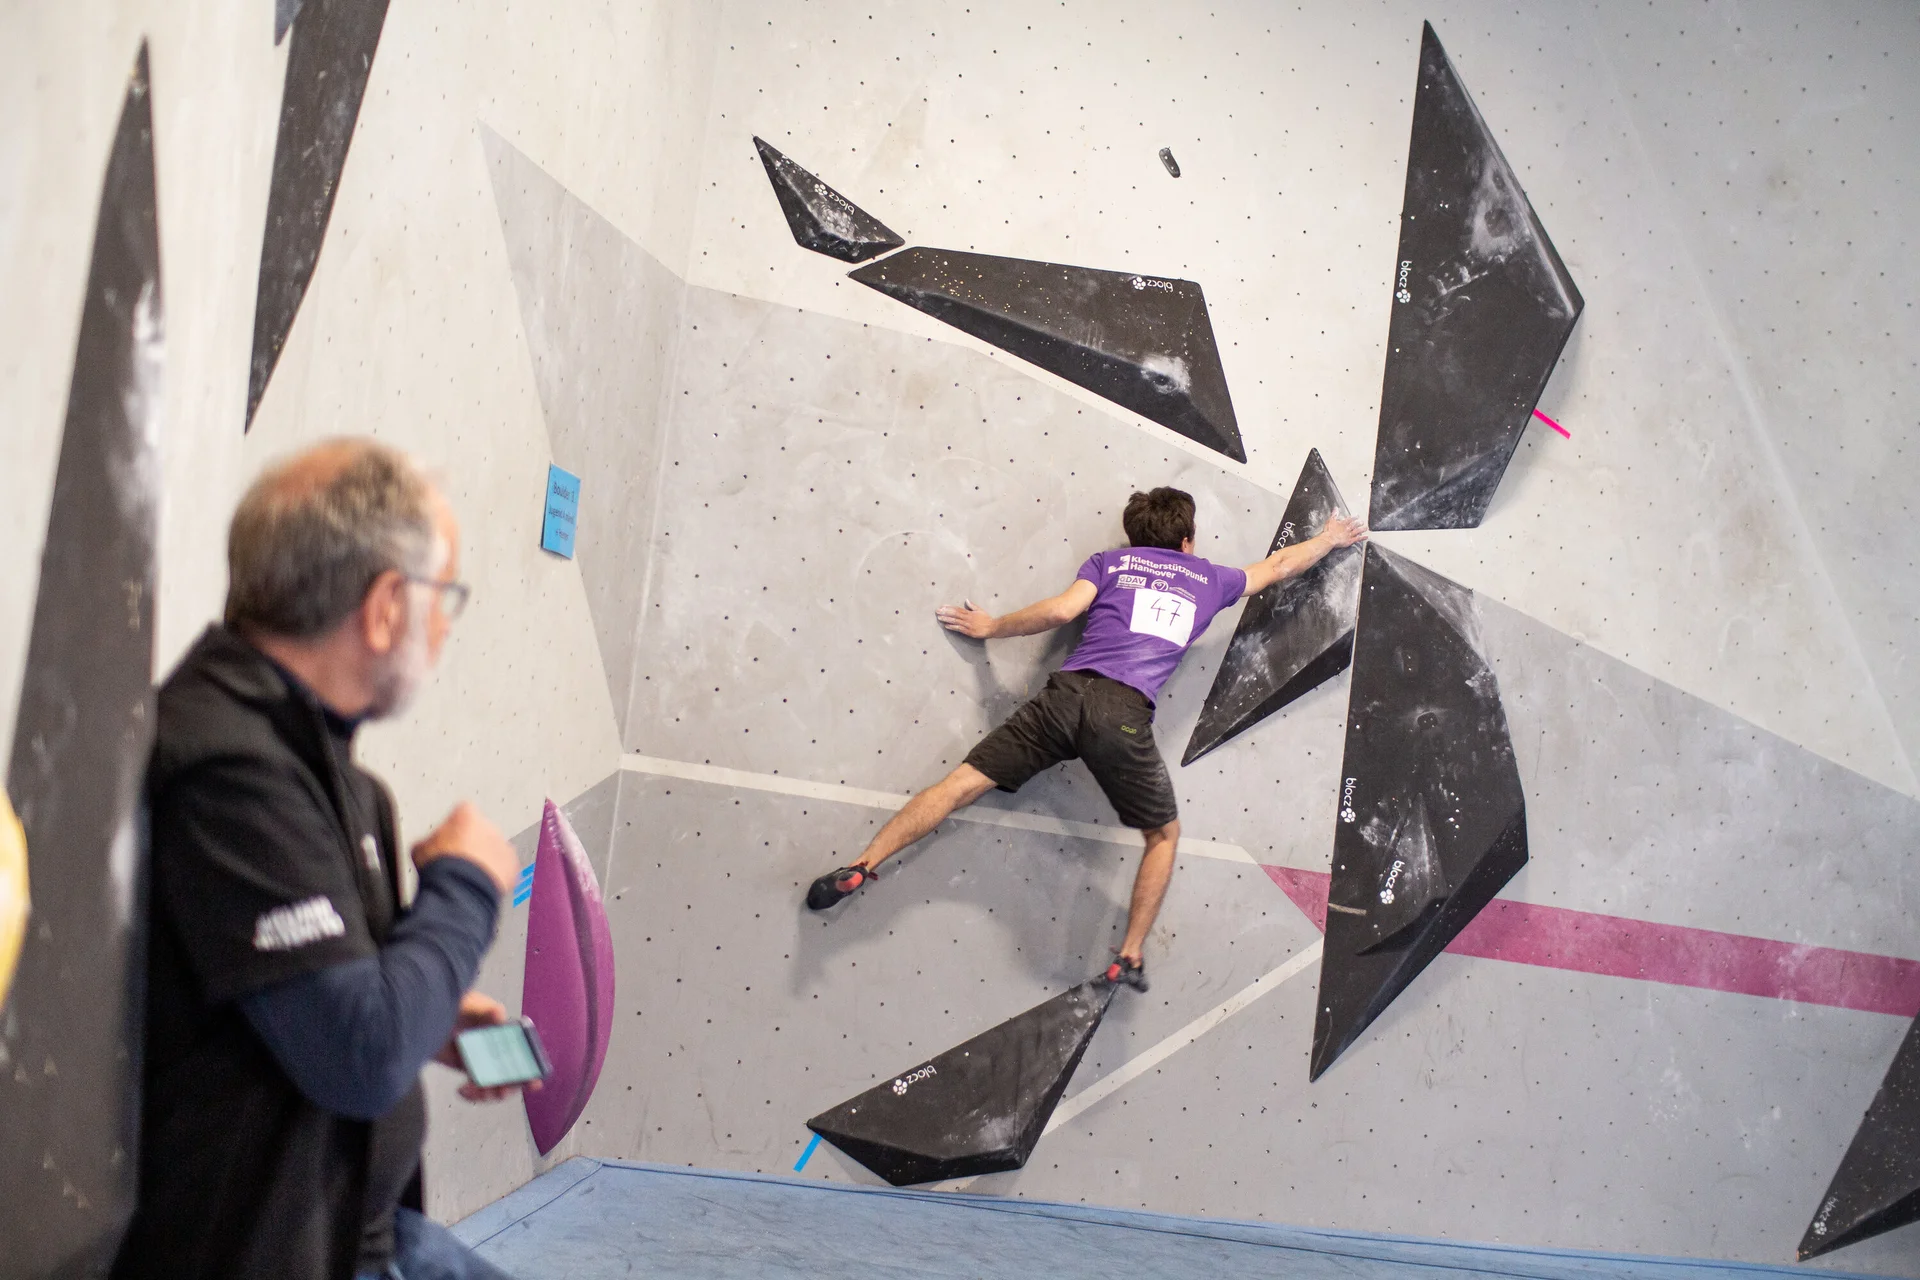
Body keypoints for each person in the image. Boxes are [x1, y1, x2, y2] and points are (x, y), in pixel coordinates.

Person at [114, 439, 526, 1280]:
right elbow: (363, 1055)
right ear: (383, 608)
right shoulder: (229, 767)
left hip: (362, 1237)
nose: (444, 627)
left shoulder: (332, 778)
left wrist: (428, 1010)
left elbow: (325, 1003)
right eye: (442, 597)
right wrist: (468, 885)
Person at [805, 486, 1367, 990]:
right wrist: (1329, 538)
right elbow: (1280, 565)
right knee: (1163, 836)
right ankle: (1129, 954)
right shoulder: (1211, 579)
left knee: (958, 785)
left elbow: (1061, 611)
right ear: (1188, 540)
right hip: (1120, 715)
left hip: (1062, 697)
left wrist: (992, 627)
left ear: (1134, 535)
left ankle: (861, 863)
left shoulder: (1110, 563)